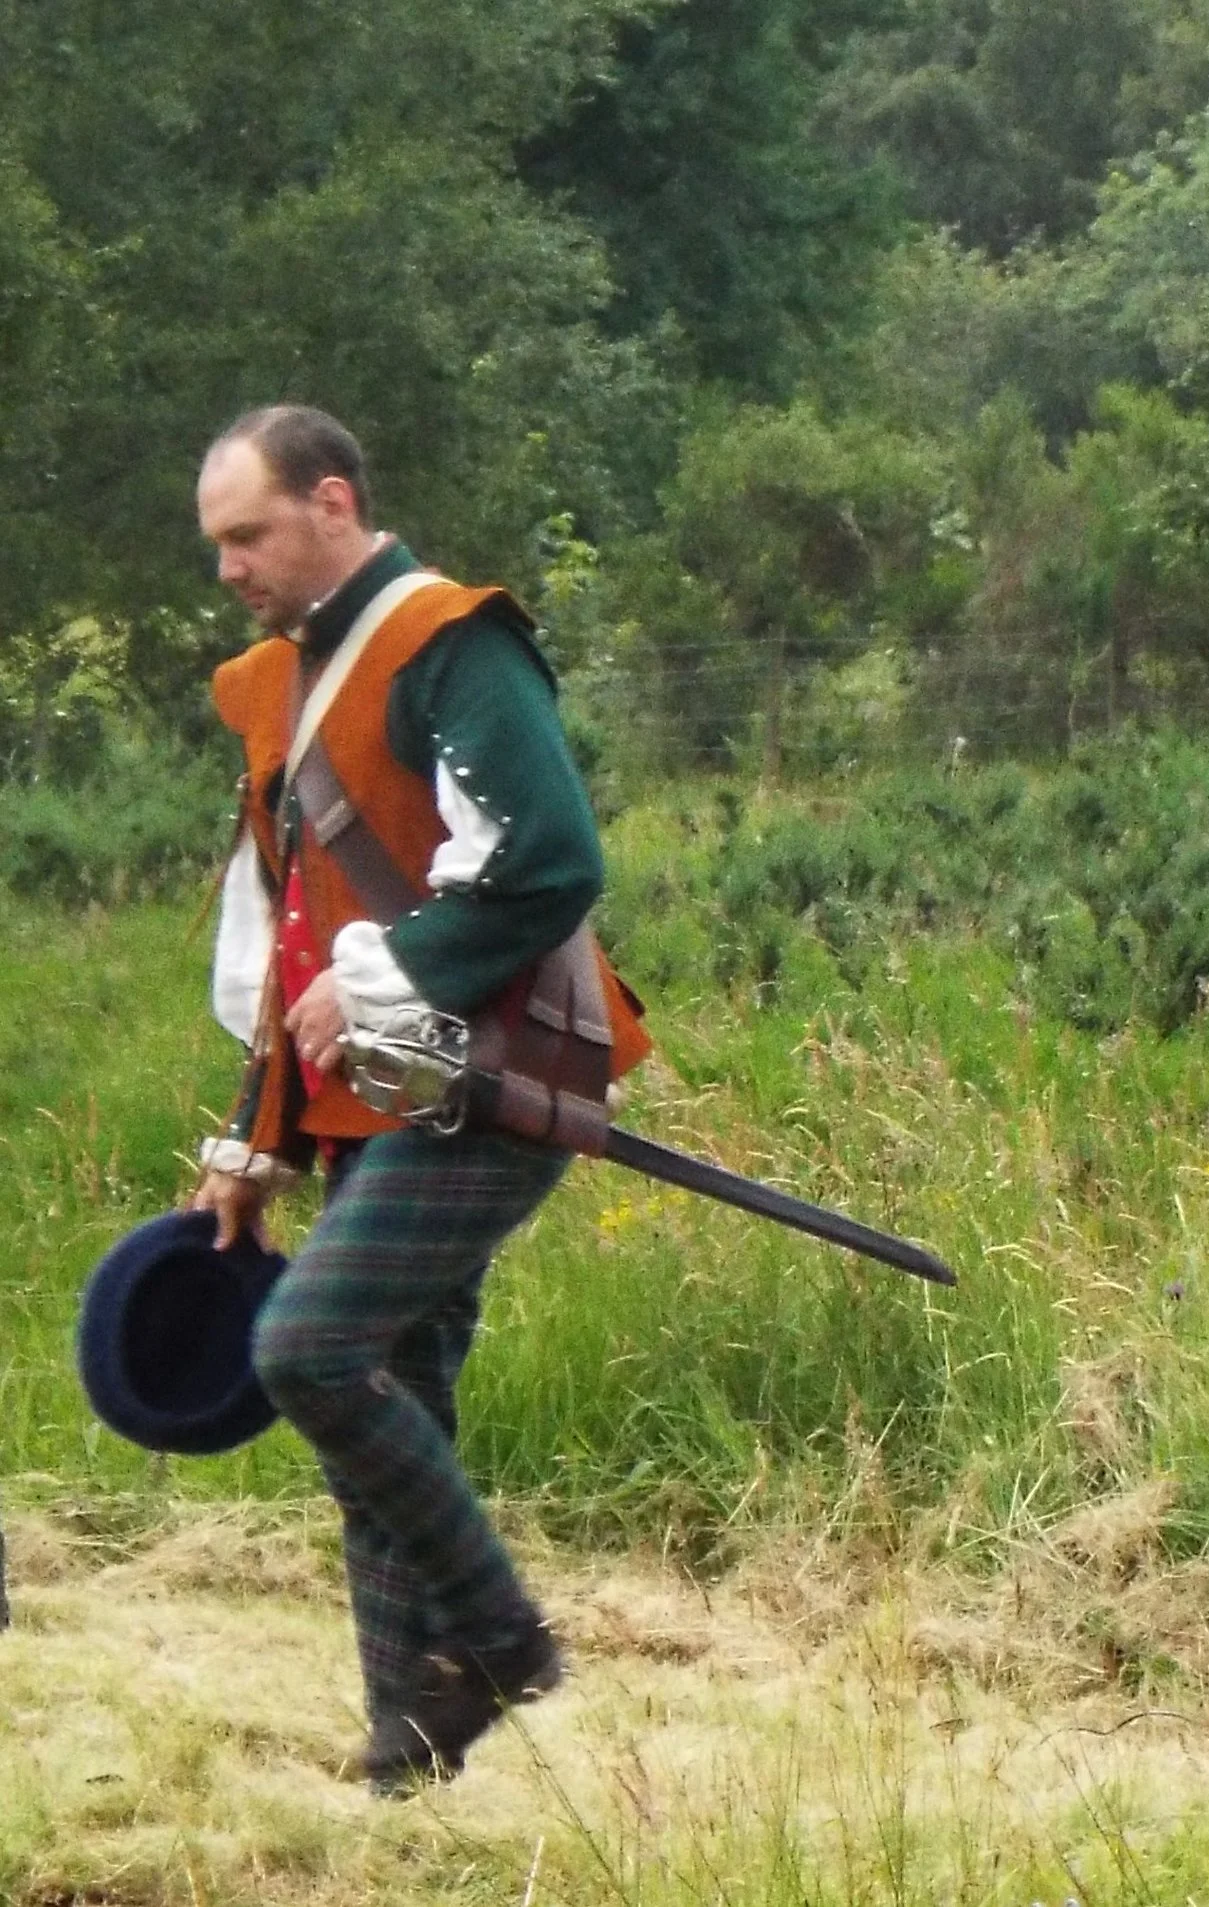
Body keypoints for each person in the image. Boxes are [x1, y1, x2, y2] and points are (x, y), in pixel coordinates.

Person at [191, 404, 648, 1793]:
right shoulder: (279, 681)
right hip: (363, 1098)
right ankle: (406, 1745)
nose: (228, 567)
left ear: (333, 501)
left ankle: (504, 1639)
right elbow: (294, 934)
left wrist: (424, 967)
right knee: (389, 1393)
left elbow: (555, 857)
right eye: (215, 543)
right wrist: (254, 1142)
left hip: (489, 1082)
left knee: (310, 1354)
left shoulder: (454, 641)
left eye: (248, 534)